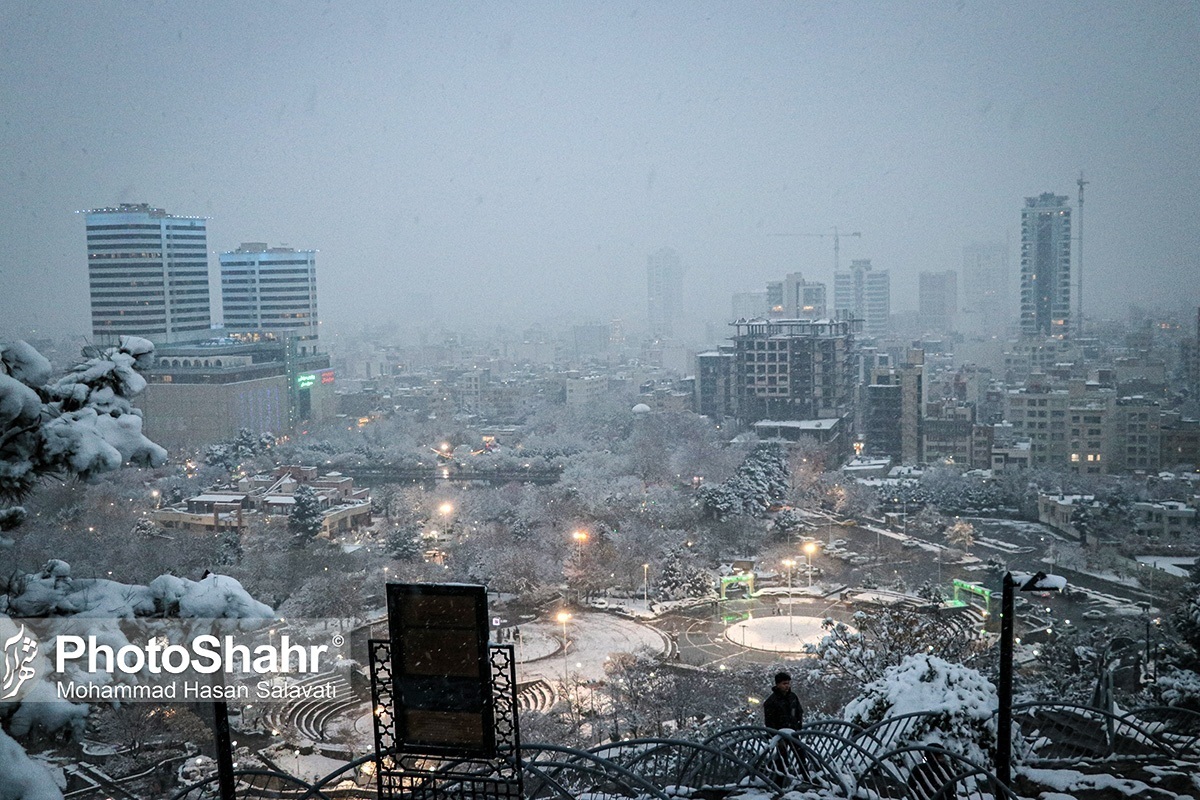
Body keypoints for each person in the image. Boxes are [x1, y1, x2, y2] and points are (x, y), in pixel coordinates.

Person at [763, 672, 810, 782]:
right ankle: (779, 783)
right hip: (780, 734)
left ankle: (807, 779)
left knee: (801, 756)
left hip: (793, 732)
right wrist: (776, 735)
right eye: (784, 683)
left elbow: (799, 712)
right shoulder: (771, 701)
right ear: (777, 684)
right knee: (782, 759)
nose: (787, 686)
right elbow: (769, 721)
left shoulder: (792, 697)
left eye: (788, 683)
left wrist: (798, 726)